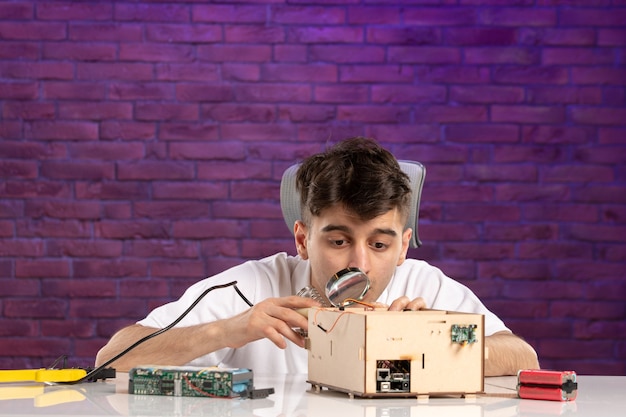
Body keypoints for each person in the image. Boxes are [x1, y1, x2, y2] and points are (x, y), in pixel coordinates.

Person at [95, 137, 539, 376]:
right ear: (304, 240)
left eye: (380, 245)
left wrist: (436, 338)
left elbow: (523, 357)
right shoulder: (251, 287)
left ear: (404, 246)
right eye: (339, 241)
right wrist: (228, 330)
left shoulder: (425, 286)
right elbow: (111, 359)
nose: (359, 266)